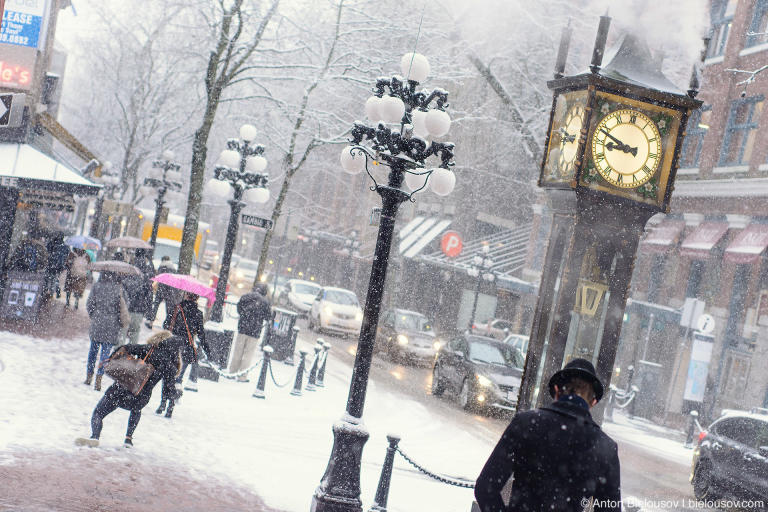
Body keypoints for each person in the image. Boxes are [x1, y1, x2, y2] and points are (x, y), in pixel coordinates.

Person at [474, 358, 621, 512]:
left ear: (557, 391)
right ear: (593, 402)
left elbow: (485, 488)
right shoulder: (606, 447)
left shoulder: (525, 423)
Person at [75, 330, 183, 448]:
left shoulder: (146, 349)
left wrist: (112, 359)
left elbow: (124, 347)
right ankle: (128, 439)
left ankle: (95, 436)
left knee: (98, 413)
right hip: (140, 397)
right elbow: (169, 391)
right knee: (136, 410)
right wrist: (177, 394)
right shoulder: (169, 365)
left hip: (121, 388)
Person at [156, 292, 209, 417]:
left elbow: (165, 325)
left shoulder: (177, 308)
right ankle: (171, 405)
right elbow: (201, 334)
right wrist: (207, 350)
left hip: (173, 346)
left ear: (186, 296)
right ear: (197, 298)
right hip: (186, 349)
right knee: (178, 378)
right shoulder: (198, 314)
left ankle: (163, 402)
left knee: (167, 375)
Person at [84, 271, 129, 391]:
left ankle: (89, 376)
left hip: (97, 322)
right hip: (112, 325)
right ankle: (99, 379)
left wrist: (94, 315)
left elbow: (89, 304)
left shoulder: (97, 286)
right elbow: (125, 306)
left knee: (93, 351)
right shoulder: (119, 289)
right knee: (105, 354)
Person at [229, 282, 272, 382]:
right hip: (255, 332)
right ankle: (242, 376)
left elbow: (239, 310)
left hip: (242, 329)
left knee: (237, 352)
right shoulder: (265, 302)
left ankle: (232, 372)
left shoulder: (245, 297)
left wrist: (245, 317)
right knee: (248, 355)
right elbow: (268, 317)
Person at [122, 249, 154, 344]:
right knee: (135, 332)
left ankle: (118, 351)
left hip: (126, 307)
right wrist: (149, 311)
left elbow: (123, 287)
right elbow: (149, 293)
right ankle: (130, 353)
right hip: (139, 309)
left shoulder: (129, 269)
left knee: (122, 331)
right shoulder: (147, 271)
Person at [146, 255, 177, 327]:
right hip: (169, 290)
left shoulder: (162, 266)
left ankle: (151, 322)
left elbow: (158, 277)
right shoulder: (173, 268)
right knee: (168, 308)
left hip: (161, 289)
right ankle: (168, 323)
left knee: (156, 306)